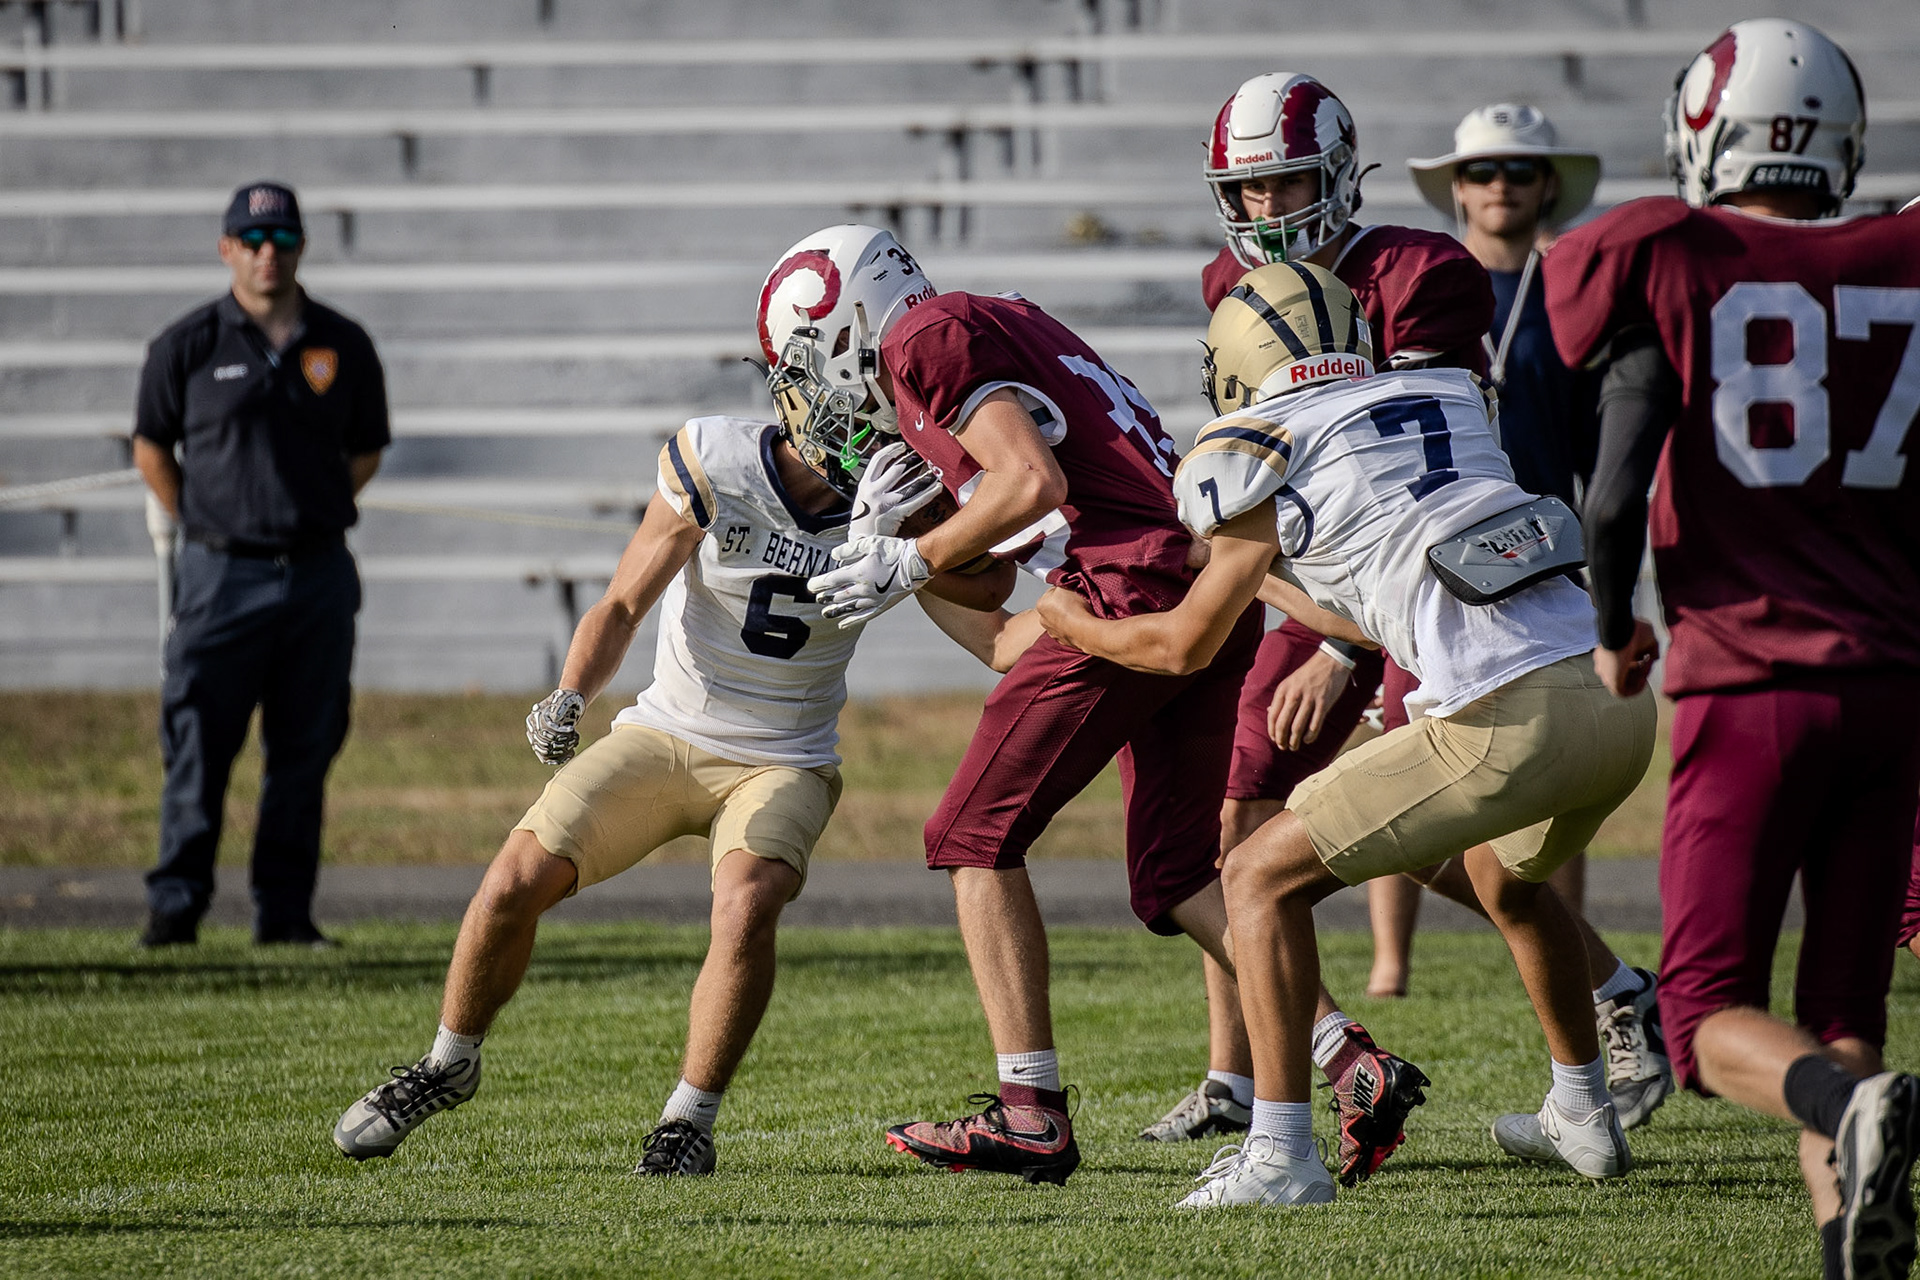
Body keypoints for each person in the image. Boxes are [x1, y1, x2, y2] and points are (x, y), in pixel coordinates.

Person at [1040, 261, 1655, 1208]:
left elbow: (1182, 646)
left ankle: (1281, 1156)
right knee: (1504, 877)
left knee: (1253, 875)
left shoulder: (1252, 440)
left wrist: (1067, 621)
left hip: (1506, 720)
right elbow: (1367, 607)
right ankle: (1583, 1109)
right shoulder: (1443, 390)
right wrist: (1249, 573)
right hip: (1615, 705)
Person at [332, 406, 994, 1174]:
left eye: (872, 412)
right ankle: (448, 1062)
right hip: (665, 731)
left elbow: (992, 603)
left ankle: (688, 1121)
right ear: (797, 394)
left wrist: (916, 550)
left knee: (747, 900)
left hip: (784, 757)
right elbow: (621, 603)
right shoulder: (718, 460)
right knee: (513, 879)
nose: (864, 433)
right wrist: (571, 694)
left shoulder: (904, 496)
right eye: (844, 408)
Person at [1545, 19, 1920, 1279]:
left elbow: (1607, 503)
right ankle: (1852, 1248)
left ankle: (1849, 1112)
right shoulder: (1905, 262)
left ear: (1706, 133)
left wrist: (1609, 634)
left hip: (1751, 681)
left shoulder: (1674, 259)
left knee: (1704, 1019)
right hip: (1891, 686)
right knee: (1842, 1022)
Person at [771, 223, 1261, 1186]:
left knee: (970, 832)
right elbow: (998, 606)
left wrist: (909, 557)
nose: (810, 389)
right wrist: (908, 533)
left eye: (803, 359)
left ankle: (1030, 1113)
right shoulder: (992, 327)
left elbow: (1035, 481)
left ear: (848, 317)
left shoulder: (925, 337)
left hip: (1129, 586)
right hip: (1185, 582)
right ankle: (1349, 1058)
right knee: (1172, 875)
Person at [1358, 104, 1603, 982]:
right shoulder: (1420, 281)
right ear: (1457, 188)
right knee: (1404, 738)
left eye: (1520, 171)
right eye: (1483, 171)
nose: (1500, 185)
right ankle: (1392, 961)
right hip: (1437, 541)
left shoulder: (1575, 284)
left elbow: (1599, 438)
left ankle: (1570, 948)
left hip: (1543, 541)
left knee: (1562, 761)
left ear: (1548, 188)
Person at [132, 181, 389, 948]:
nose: (265, 253)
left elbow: (366, 451)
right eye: (251, 240)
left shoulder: (344, 343)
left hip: (315, 574)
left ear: (301, 247)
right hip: (218, 576)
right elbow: (151, 446)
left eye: (279, 240)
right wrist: (209, 522)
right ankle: (174, 913)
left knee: (304, 751)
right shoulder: (187, 344)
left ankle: (284, 917)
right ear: (226, 249)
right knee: (197, 747)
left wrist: (303, 517)